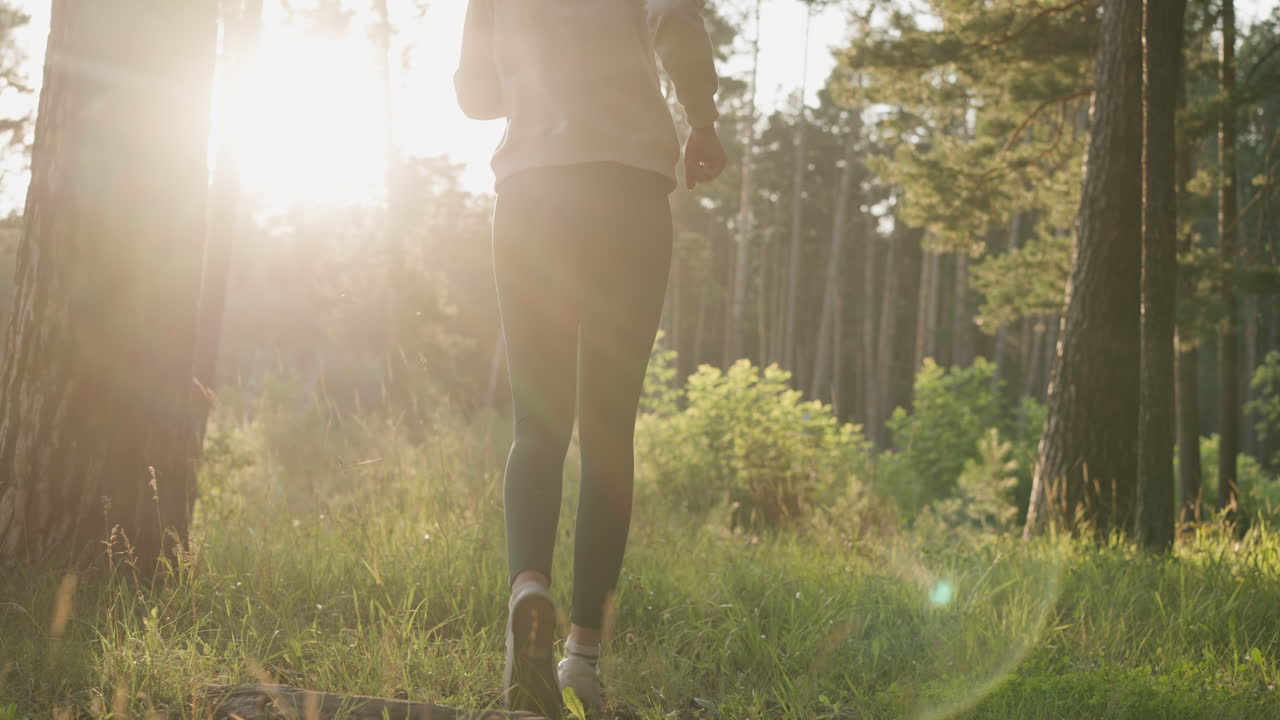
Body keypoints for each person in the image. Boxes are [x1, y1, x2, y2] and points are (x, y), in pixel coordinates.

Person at [454, 0, 725, 716]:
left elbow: (474, 95)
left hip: (532, 196)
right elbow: (677, 23)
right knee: (608, 434)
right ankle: (581, 660)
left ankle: (528, 592)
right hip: (627, 192)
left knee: (537, 426)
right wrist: (701, 118)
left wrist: (542, 76)